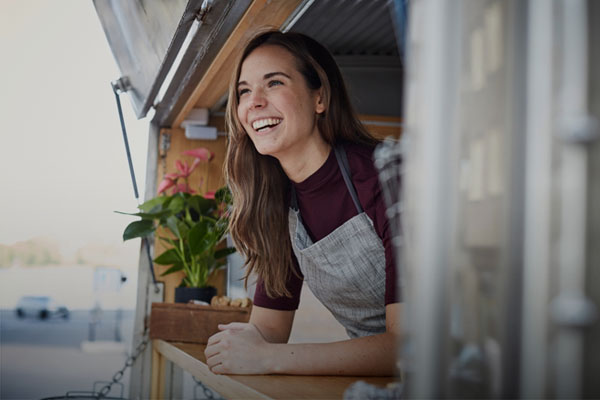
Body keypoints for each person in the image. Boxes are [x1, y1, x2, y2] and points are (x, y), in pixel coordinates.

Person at [204, 29, 401, 376]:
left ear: (319, 98)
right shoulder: (276, 206)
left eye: (274, 83)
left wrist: (267, 358)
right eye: (244, 91)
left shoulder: (387, 177)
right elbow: (268, 331)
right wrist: (235, 342)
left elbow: (409, 346)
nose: (254, 102)